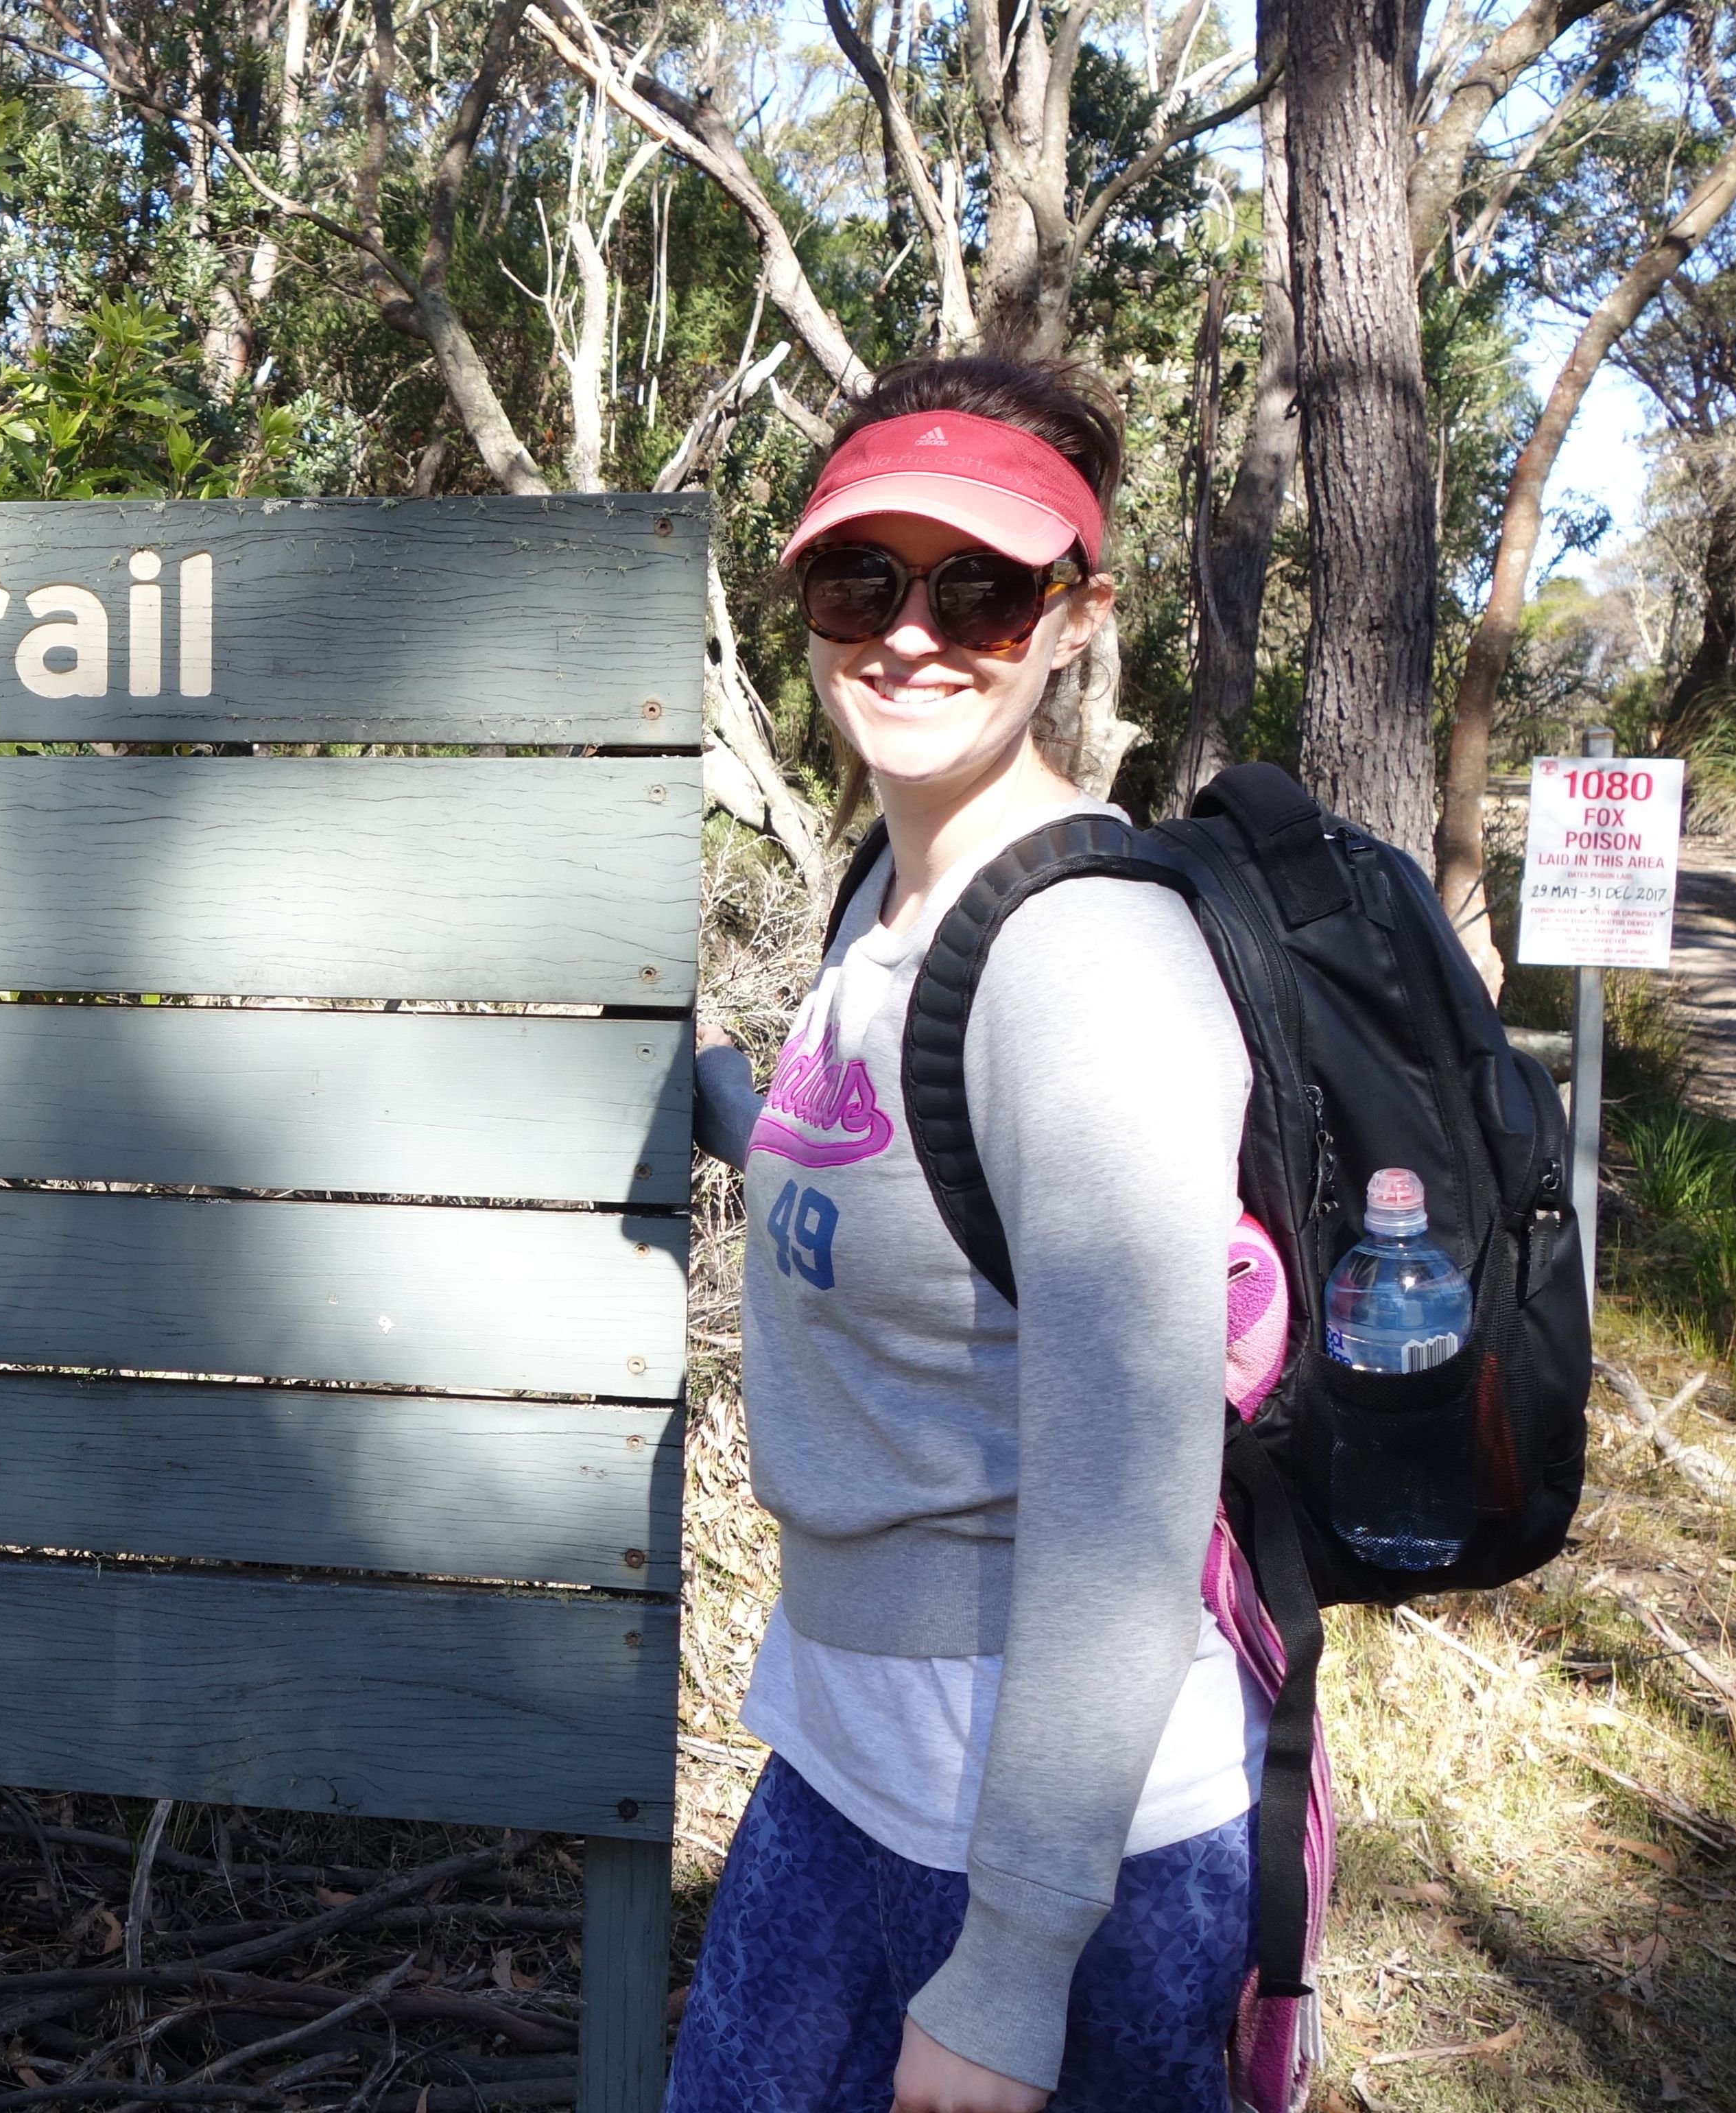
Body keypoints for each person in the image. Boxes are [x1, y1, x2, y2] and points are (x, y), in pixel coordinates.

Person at [675, 357, 1260, 2113]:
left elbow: (1133, 1495)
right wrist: (701, 1070)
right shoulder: (883, 892)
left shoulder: (1087, 960)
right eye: (865, 580)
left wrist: (1011, 1966)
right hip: (850, 1761)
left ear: (1075, 621)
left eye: (981, 590)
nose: (911, 635)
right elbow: (875, 1172)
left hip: (1058, 1841)